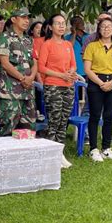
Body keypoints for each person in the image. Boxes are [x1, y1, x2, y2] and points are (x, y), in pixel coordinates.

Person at [83, 18, 112, 162]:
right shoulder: (92, 46)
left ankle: (106, 148)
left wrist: (111, 82)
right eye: (103, 27)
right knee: (95, 115)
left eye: (109, 27)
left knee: (109, 116)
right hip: (96, 82)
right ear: (98, 29)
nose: (106, 29)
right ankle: (94, 149)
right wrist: (102, 83)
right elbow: (87, 69)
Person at [38, 14, 76, 168]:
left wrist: (71, 73)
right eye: (58, 23)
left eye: (63, 23)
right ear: (51, 27)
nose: (61, 26)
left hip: (68, 86)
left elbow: (73, 64)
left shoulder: (68, 45)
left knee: (63, 121)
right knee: (54, 120)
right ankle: (51, 154)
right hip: (53, 85)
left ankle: (60, 153)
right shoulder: (47, 44)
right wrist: (61, 74)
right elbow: (41, 68)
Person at [0, 10, 37, 136]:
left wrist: (31, 77)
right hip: (10, 94)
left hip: (27, 93)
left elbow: (34, 62)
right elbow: (5, 63)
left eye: (28, 18)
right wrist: (23, 79)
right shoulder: (4, 38)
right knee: (6, 131)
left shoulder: (29, 40)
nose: (27, 21)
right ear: (13, 19)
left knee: (28, 131)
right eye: (23, 17)